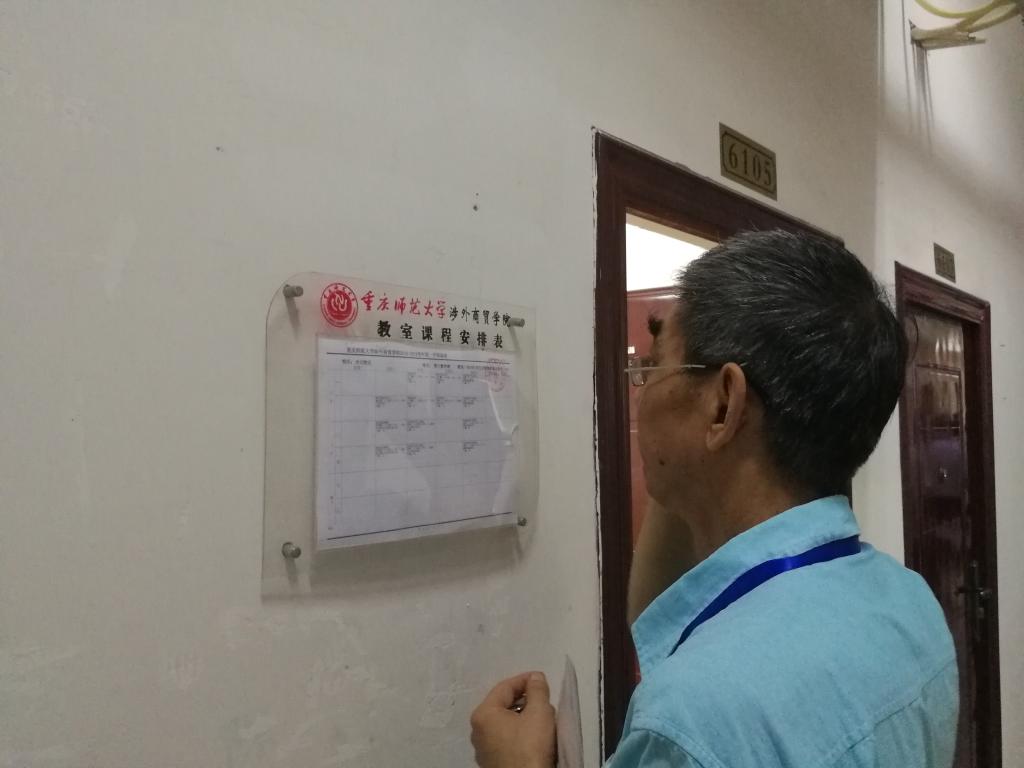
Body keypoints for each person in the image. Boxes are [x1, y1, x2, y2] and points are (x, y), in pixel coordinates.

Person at [470, 230, 958, 768]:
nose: (641, 395)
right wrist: (695, 464)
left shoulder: (688, 726)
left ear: (724, 404)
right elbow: (669, 609)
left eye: (653, 366)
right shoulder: (910, 604)